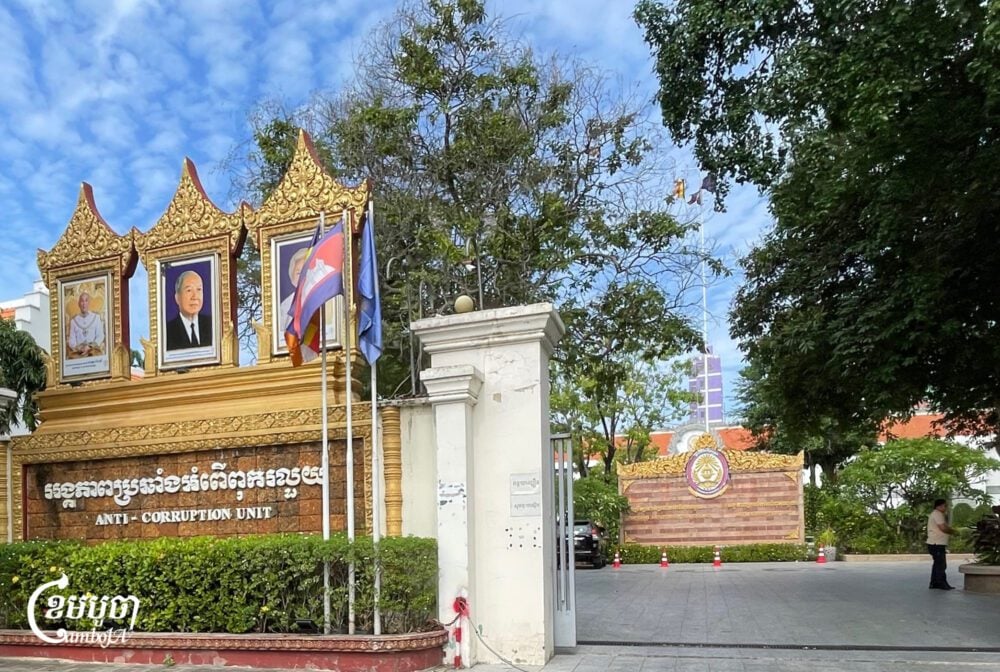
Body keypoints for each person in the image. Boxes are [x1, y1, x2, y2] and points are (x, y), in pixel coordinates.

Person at [164, 270, 212, 350]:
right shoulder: (167, 332)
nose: (195, 296)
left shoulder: (212, 324)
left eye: (199, 289)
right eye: (189, 290)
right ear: (177, 298)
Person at [927, 498, 956, 590]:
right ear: (939, 506)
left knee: (937, 564)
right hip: (937, 543)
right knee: (941, 564)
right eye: (945, 505)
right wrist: (953, 532)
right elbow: (943, 527)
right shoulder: (937, 514)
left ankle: (934, 583)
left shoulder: (936, 514)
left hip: (935, 543)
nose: (946, 507)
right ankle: (942, 583)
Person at [67, 292, 104, 358]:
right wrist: (79, 348)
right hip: (79, 353)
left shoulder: (96, 317)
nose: (84, 304)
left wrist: (89, 347)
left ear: (89, 303)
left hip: (93, 351)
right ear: (79, 304)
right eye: (82, 301)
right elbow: (71, 340)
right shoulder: (73, 321)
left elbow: (100, 336)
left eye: (86, 301)